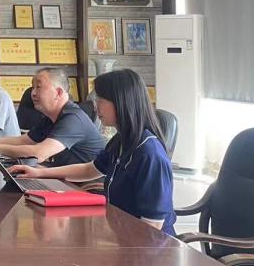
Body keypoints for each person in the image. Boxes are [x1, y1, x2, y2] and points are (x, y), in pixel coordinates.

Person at [10, 69, 176, 234]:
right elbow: (89, 169)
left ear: (121, 102)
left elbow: (152, 226)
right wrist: (39, 173)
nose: (96, 106)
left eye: (101, 100)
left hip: (149, 244)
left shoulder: (149, 154)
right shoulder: (120, 140)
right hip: (122, 232)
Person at [0, 67, 105, 165]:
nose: (33, 93)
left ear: (58, 92)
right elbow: (25, 141)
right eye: (33, 87)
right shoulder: (50, 118)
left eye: (38, 87)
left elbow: (39, 154)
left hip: (87, 185)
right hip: (66, 179)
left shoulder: (73, 119)